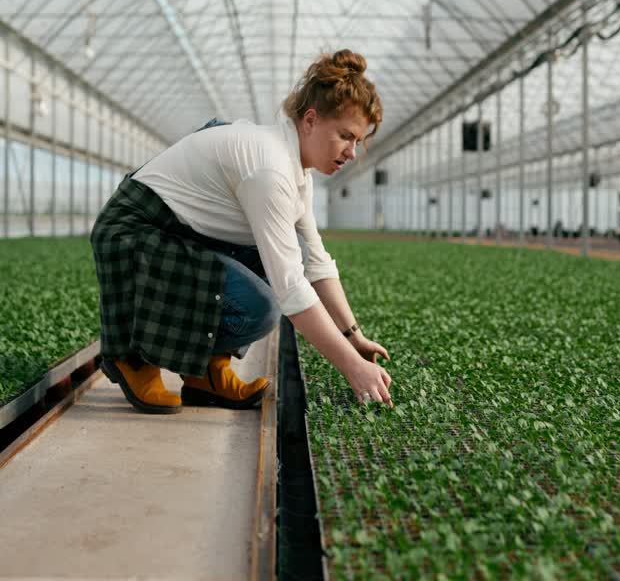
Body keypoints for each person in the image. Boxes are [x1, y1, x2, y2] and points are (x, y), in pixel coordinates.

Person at [90, 49, 394, 414]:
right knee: (261, 308)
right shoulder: (270, 170)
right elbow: (292, 293)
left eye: (358, 141)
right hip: (135, 233)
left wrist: (353, 337)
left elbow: (316, 262)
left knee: (288, 250)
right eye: (346, 136)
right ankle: (135, 355)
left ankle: (206, 374)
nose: (352, 152)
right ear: (310, 121)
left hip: (179, 233)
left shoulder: (296, 169)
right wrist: (352, 367)